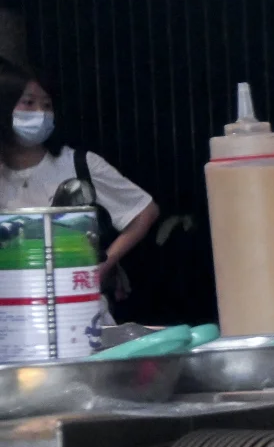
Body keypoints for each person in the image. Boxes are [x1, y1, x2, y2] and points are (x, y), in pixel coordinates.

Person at [0, 63, 159, 309]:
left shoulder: (79, 164)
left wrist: (104, 266)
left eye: (47, 105)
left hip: (79, 309)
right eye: (29, 103)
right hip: (12, 311)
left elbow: (144, 211)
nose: (41, 113)